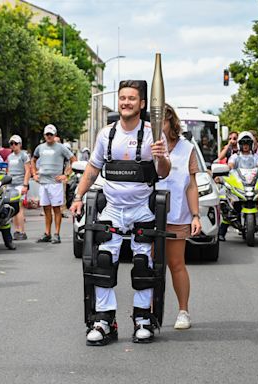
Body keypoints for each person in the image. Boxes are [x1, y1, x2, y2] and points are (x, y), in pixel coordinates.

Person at [69, 79, 170, 345]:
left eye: (132, 99)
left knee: (143, 266)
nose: (126, 102)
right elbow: (92, 169)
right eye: (123, 98)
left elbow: (163, 172)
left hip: (142, 209)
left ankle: (142, 319)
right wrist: (78, 197)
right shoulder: (106, 134)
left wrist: (160, 156)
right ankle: (104, 321)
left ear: (143, 104)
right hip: (112, 208)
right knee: (103, 262)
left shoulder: (153, 133)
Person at [157, 103, 201, 329]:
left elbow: (191, 185)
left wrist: (195, 215)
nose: (158, 126)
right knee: (152, 263)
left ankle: (183, 311)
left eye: (162, 121)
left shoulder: (186, 148)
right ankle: (150, 311)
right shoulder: (146, 146)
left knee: (176, 263)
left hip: (177, 213)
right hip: (149, 213)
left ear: (170, 122)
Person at [32, 124, 76, 244]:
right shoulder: (40, 147)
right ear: (44, 135)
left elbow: (73, 160)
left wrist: (66, 175)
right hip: (43, 183)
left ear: (55, 135)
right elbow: (33, 159)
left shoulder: (61, 148)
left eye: (51, 134)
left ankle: (56, 234)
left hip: (55, 183)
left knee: (56, 209)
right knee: (46, 208)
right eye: (47, 134)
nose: (49, 136)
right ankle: (47, 233)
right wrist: (34, 173)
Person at [219, 131, 258, 242]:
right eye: (243, 143)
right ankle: (221, 232)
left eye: (248, 143)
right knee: (227, 204)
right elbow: (230, 165)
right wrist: (227, 168)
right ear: (240, 145)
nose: (246, 146)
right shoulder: (235, 157)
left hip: (252, 183)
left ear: (252, 145)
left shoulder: (256, 157)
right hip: (239, 184)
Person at [7, 135, 30, 240]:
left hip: (20, 184)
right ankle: (16, 230)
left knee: (19, 207)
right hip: (10, 184)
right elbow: (8, 170)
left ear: (20, 144)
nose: (13, 146)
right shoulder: (9, 157)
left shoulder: (24, 155)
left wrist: (25, 185)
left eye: (15, 143)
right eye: (11, 143)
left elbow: (28, 171)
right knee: (13, 208)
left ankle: (22, 231)